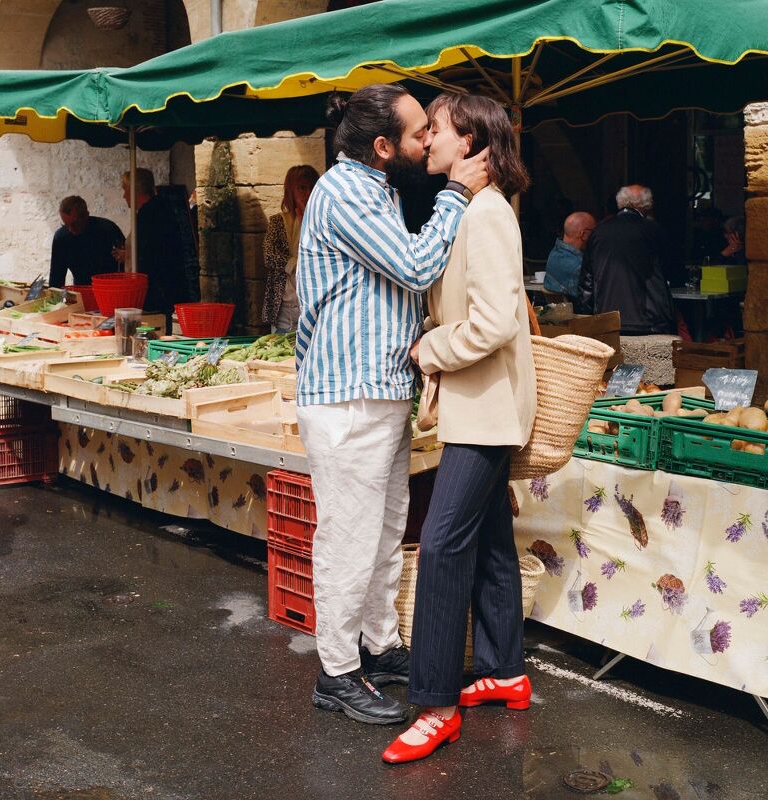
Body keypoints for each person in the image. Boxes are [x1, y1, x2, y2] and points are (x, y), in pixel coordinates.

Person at [295, 84, 490, 726]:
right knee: (349, 537)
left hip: (374, 392)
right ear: (383, 147)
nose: (427, 140)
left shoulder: (373, 189)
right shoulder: (347, 190)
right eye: (416, 132)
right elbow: (412, 267)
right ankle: (337, 672)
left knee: (381, 532)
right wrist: (457, 193)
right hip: (349, 397)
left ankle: (377, 647)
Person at [382, 93, 536, 765]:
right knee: (493, 544)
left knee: (443, 550)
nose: (428, 142)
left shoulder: (489, 213)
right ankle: (504, 669)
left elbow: (497, 322)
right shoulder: (475, 211)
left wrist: (429, 351)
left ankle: (435, 705)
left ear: (469, 141)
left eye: (436, 131)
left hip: (486, 413)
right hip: (481, 409)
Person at [583, 184, 675, 335]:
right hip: (648, 321)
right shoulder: (652, 230)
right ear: (647, 205)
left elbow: (586, 281)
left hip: (607, 318)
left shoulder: (599, 231)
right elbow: (670, 269)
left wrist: (589, 317)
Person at [115, 168, 193, 322]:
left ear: (135, 190)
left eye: (125, 190)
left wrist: (131, 256)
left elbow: (151, 253)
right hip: (165, 287)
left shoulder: (150, 213)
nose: (124, 196)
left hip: (158, 291)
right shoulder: (159, 208)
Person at [262, 165, 320, 332]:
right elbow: (269, 256)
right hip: (284, 306)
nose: (307, 193)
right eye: (302, 188)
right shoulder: (278, 222)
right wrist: (297, 264)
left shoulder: (323, 222)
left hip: (312, 305)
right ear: (291, 191)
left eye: (312, 187)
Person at [48, 196, 123, 288]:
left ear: (86, 215)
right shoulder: (61, 237)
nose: (71, 229)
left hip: (110, 288)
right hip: (82, 289)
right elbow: (56, 276)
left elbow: (125, 264)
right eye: (66, 225)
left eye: (74, 224)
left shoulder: (107, 229)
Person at [543, 211, 597, 312]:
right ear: (584, 234)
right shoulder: (578, 266)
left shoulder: (554, 254)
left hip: (559, 319)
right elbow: (595, 299)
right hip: (580, 321)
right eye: (594, 232)